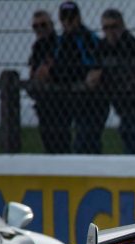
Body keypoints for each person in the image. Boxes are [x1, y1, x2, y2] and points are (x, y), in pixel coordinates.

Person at [50, 1, 108, 154]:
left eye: (71, 18)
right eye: (64, 19)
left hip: (92, 101)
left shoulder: (89, 39)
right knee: (60, 140)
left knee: (86, 142)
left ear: (78, 18)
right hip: (69, 98)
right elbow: (55, 68)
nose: (68, 22)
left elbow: (92, 66)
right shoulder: (59, 42)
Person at [98, 9, 135, 154]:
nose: (110, 31)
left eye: (114, 27)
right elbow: (93, 70)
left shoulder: (133, 45)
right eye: (106, 28)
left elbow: (132, 72)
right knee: (128, 144)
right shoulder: (102, 47)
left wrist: (104, 75)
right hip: (117, 104)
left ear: (122, 26)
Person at [28, 10, 67, 153]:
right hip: (43, 100)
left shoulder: (60, 44)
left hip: (59, 101)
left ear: (51, 25)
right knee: (47, 140)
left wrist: (48, 72)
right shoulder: (37, 47)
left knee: (60, 141)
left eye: (43, 25)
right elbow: (34, 73)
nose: (40, 29)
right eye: (36, 26)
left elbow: (57, 70)